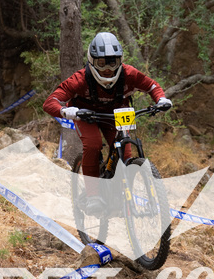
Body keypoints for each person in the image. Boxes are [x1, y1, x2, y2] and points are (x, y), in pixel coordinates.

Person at [43, 32, 172, 215]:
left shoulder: (129, 74)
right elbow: (50, 102)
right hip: (87, 115)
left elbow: (152, 86)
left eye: (113, 62)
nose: (107, 69)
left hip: (116, 114)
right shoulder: (80, 79)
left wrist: (161, 100)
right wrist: (67, 111)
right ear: (92, 61)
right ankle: (93, 196)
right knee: (93, 144)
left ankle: (118, 198)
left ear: (120, 60)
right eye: (101, 63)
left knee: (125, 151)